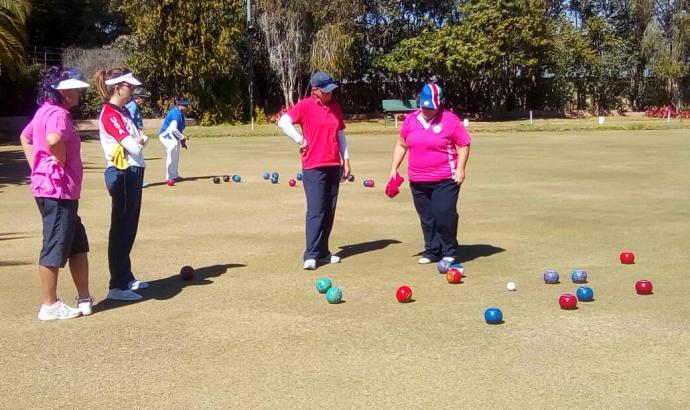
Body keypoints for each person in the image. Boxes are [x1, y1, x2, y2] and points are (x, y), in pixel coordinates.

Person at [18, 66, 93, 320]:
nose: (80, 91)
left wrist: (36, 166)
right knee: (55, 244)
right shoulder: (58, 114)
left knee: (77, 242)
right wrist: (58, 163)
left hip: (57, 190)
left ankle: (84, 297)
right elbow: (52, 140)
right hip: (57, 191)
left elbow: (25, 138)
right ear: (63, 92)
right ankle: (49, 305)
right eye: (75, 88)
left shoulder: (44, 112)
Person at [387, 82, 471, 265]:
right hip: (417, 179)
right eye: (423, 105)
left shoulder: (450, 120)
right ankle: (432, 250)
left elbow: (464, 144)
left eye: (430, 106)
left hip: (445, 178)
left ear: (439, 103)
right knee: (427, 217)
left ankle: (450, 251)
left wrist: (461, 168)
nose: (426, 109)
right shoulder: (410, 120)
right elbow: (402, 144)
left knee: (444, 213)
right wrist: (394, 168)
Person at [278, 71, 351, 270]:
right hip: (313, 166)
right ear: (315, 90)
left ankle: (324, 252)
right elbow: (283, 122)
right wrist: (300, 140)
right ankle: (310, 254)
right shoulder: (306, 106)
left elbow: (340, 133)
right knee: (316, 210)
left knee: (329, 210)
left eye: (331, 90)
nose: (330, 94)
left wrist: (346, 158)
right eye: (326, 90)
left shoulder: (335, 107)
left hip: (333, 165)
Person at [94, 68, 149, 301]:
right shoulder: (110, 113)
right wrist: (138, 141)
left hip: (134, 170)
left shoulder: (123, 111)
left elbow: (139, 139)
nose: (133, 90)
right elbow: (134, 144)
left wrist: (139, 140)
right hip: (122, 171)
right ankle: (116, 285)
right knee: (121, 227)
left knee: (129, 227)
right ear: (118, 88)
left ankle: (125, 276)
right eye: (130, 86)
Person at [158, 98, 190, 184]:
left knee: (175, 155)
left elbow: (178, 129)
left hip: (173, 137)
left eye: (187, 105)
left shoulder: (180, 113)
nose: (187, 107)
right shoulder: (176, 113)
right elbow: (173, 129)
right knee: (172, 154)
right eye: (185, 105)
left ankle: (174, 175)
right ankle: (169, 177)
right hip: (166, 136)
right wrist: (182, 137)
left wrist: (182, 141)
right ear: (180, 105)